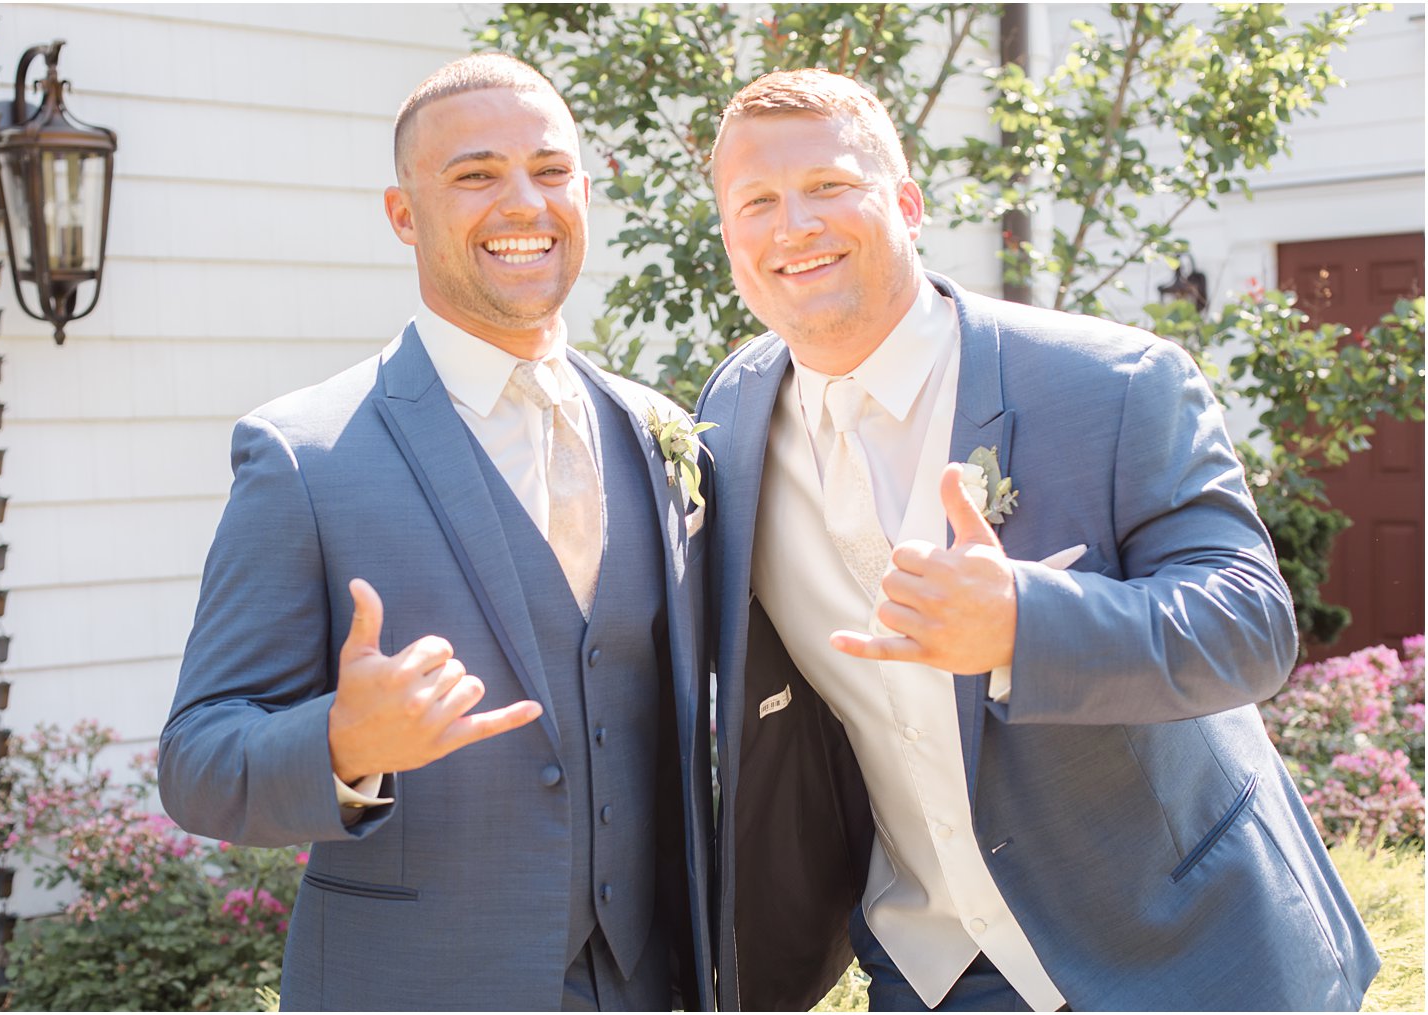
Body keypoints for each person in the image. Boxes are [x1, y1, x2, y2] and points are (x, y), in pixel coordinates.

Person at [697, 68, 1378, 1012]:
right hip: (931, 971)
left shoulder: (1112, 383)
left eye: (829, 188)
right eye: (757, 201)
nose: (793, 225)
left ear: (906, 203)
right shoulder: (730, 415)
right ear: (729, 236)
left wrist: (1025, 620)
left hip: (1177, 949)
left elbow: (1250, 628)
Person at [158, 53, 712, 1012]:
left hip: (650, 986)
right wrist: (338, 742)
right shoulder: (306, 455)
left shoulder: (657, 432)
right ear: (403, 214)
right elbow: (197, 762)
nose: (522, 202)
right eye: (474, 174)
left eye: (550, 170)